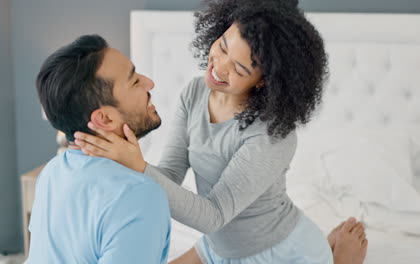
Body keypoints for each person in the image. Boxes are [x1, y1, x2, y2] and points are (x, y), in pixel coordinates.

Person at [74, 1, 368, 263]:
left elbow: (213, 215)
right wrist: (122, 162)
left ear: (264, 81)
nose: (218, 68)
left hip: (278, 251)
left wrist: (137, 165)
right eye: (223, 46)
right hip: (218, 248)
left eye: (239, 69)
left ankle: (336, 258)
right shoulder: (194, 92)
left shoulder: (271, 136)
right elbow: (170, 175)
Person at [28, 35, 171, 263]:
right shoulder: (140, 195)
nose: (149, 83)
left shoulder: (52, 172)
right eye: (134, 82)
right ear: (104, 118)